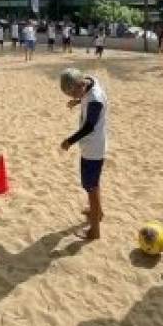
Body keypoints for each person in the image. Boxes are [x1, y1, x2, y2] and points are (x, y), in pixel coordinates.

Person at [59, 68, 108, 240]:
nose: (74, 97)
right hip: (93, 147)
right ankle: (98, 212)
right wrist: (78, 102)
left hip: (93, 149)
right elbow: (84, 95)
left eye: (74, 94)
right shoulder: (89, 81)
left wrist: (69, 141)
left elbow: (89, 127)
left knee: (91, 188)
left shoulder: (94, 99)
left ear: (80, 85)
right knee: (93, 184)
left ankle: (94, 231)